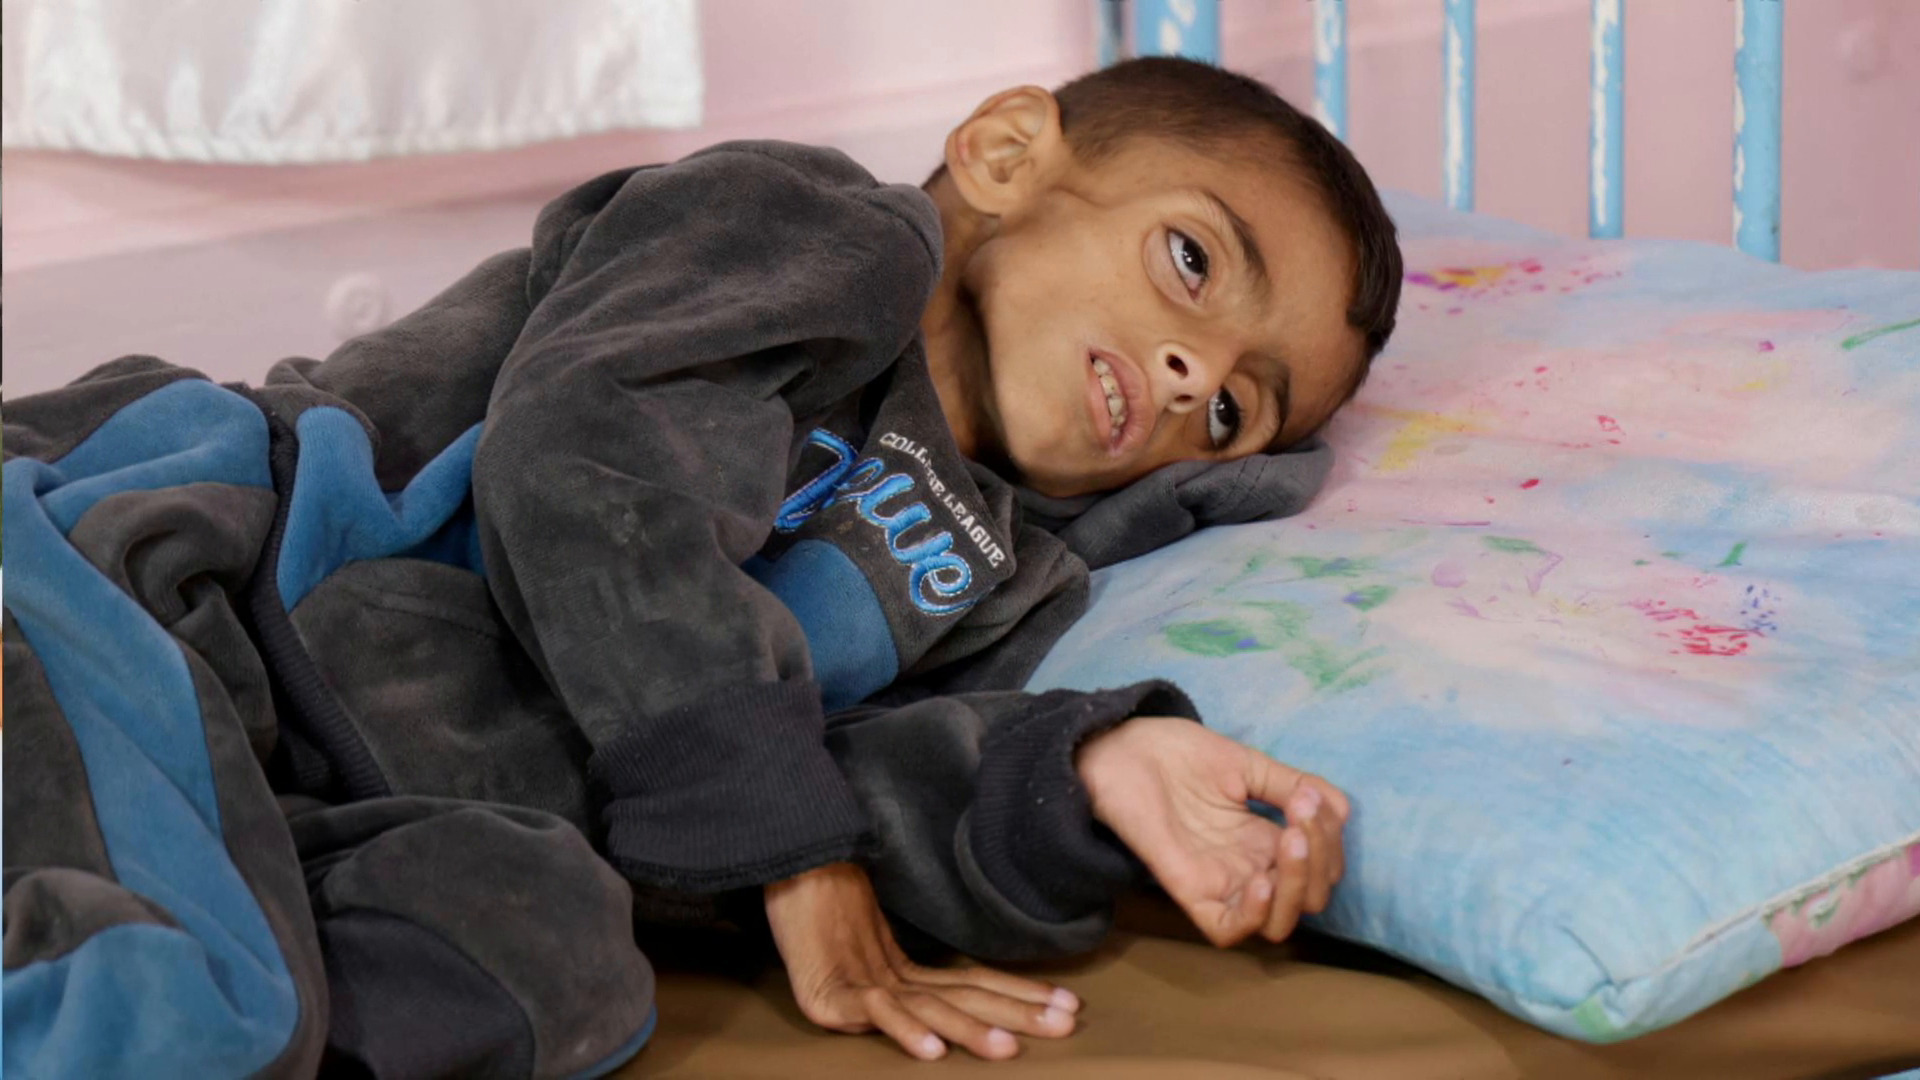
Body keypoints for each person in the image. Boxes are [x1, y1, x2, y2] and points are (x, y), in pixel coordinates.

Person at [1, 58, 1401, 1077]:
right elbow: (587, 457)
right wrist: (791, 849)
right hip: (144, 584)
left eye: (1239, 407)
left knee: (559, 965)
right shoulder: (816, 232)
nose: (1193, 373)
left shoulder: (1003, 571)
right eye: (1191, 262)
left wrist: (1082, 772)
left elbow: (813, 785)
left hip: (323, 789)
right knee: (169, 1008)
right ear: (1004, 153)